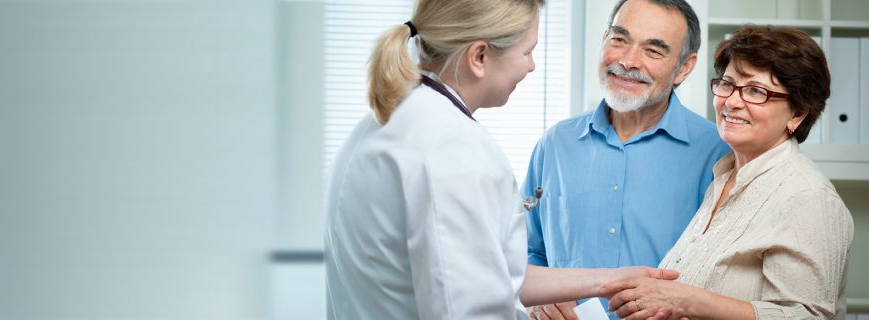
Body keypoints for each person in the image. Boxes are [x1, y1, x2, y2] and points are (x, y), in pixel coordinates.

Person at [323, 0, 681, 319]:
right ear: (479, 57)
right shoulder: (454, 147)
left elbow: (490, 272)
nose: (532, 66)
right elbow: (466, 306)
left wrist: (608, 280)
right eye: (527, 51)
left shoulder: (385, 121)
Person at [602, 24, 854, 320]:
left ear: (798, 113)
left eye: (756, 91)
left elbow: (807, 316)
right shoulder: (722, 177)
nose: (732, 102)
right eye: (727, 84)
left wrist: (690, 301)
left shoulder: (808, 197)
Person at [521, 1, 730, 318]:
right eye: (619, 39)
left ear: (684, 67)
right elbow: (528, 250)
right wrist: (541, 299)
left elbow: (728, 274)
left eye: (653, 51)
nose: (628, 61)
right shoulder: (554, 145)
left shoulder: (719, 155)